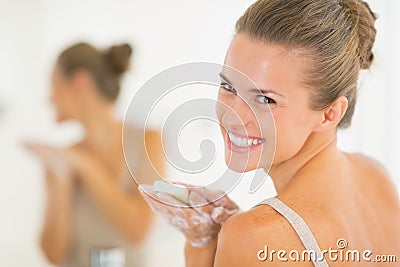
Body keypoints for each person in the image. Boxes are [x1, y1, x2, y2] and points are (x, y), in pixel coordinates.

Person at [139, 0, 400, 266]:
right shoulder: (376, 176)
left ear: (330, 113)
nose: (232, 116)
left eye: (265, 100)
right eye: (228, 87)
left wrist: (200, 245)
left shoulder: (256, 236)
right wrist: (209, 237)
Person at [26, 42, 164, 266]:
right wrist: (61, 179)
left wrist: (85, 165)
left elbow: (138, 229)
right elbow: (54, 254)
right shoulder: (63, 158)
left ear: (80, 82)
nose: (49, 98)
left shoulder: (149, 141)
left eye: (54, 84)